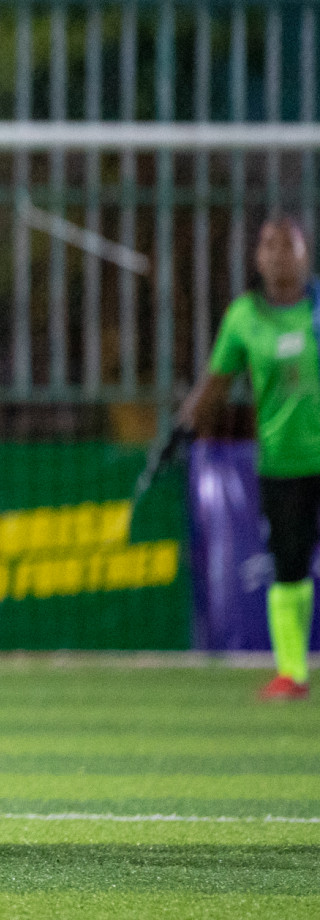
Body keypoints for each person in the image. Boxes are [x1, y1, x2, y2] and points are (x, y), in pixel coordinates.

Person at [180, 216, 320, 700]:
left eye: (288, 244)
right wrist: (184, 427)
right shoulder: (245, 316)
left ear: (307, 253)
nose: (277, 253)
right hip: (282, 464)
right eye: (268, 245)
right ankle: (292, 672)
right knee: (289, 567)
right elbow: (216, 382)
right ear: (257, 258)